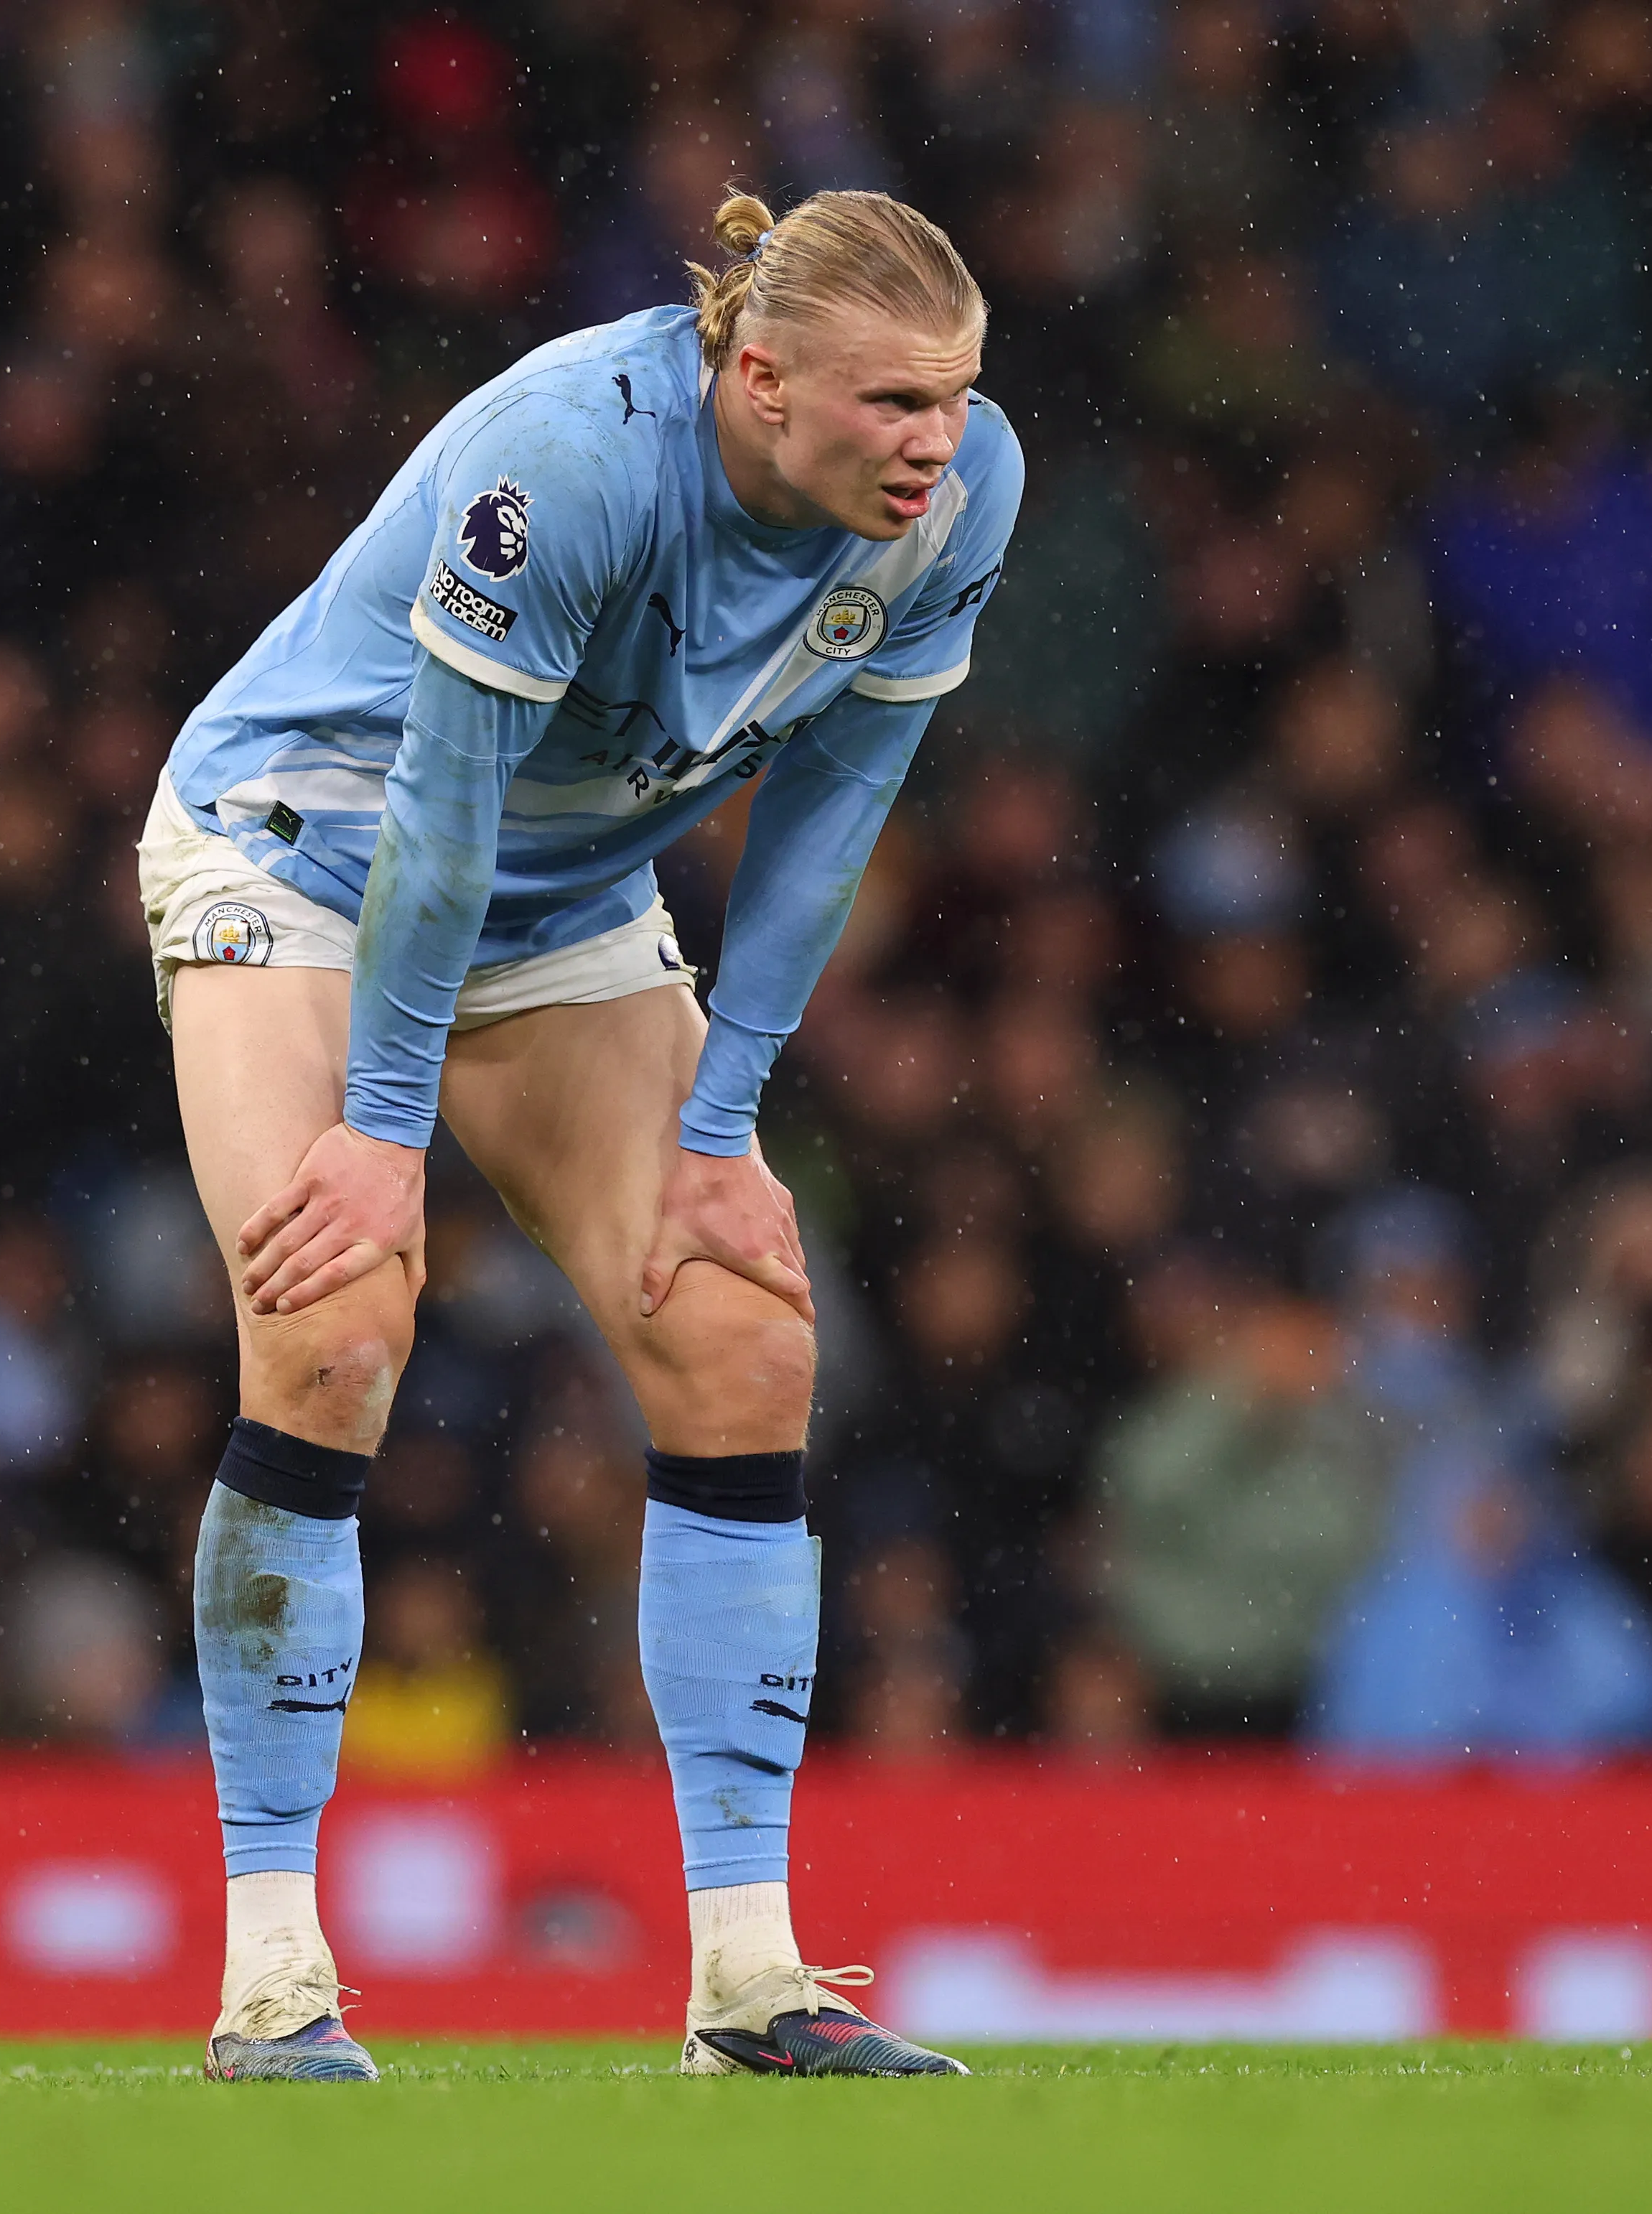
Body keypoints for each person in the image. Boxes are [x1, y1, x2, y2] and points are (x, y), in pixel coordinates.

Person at [139, 188, 1019, 2080]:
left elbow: (839, 798)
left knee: (740, 1327)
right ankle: (275, 1981)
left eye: (953, 393)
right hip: (307, 848)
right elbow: (439, 819)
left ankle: (750, 1982)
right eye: (888, 402)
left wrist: (723, 1123)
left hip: (558, 899)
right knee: (337, 1313)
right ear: (759, 377)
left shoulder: (960, 498)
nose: (933, 440)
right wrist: (384, 1131)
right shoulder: (565, 467)